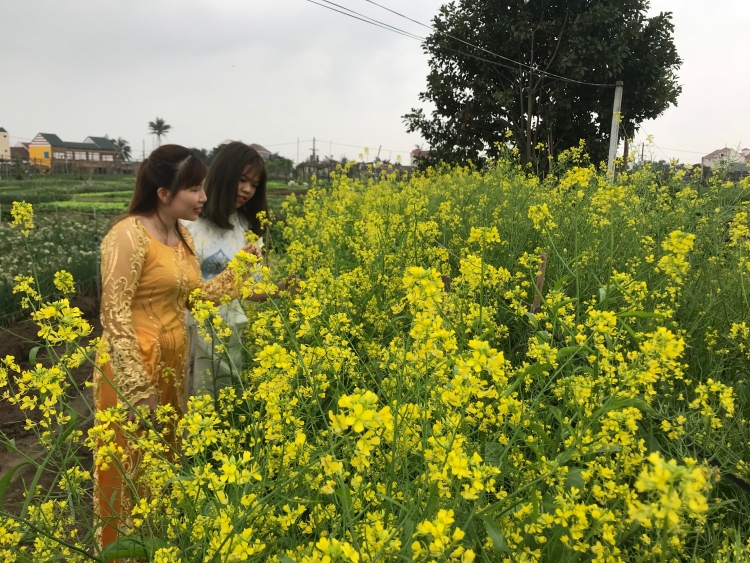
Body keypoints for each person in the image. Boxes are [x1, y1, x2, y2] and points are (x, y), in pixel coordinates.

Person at [94, 144, 251, 549]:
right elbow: (114, 316)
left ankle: (156, 549)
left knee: (161, 465)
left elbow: (196, 297)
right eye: (193, 189)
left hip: (172, 361)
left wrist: (242, 268)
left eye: (202, 188)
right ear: (164, 193)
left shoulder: (180, 236)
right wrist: (138, 388)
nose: (203, 197)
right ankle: (121, 554)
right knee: (126, 470)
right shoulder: (128, 235)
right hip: (133, 367)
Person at [183, 142, 284, 398]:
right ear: (223, 175)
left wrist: (280, 291)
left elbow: (250, 290)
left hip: (229, 332)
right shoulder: (187, 221)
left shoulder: (247, 227)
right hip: (188, 329)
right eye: (242, 180)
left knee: (222, 405)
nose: (248, 190)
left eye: (255, 185)